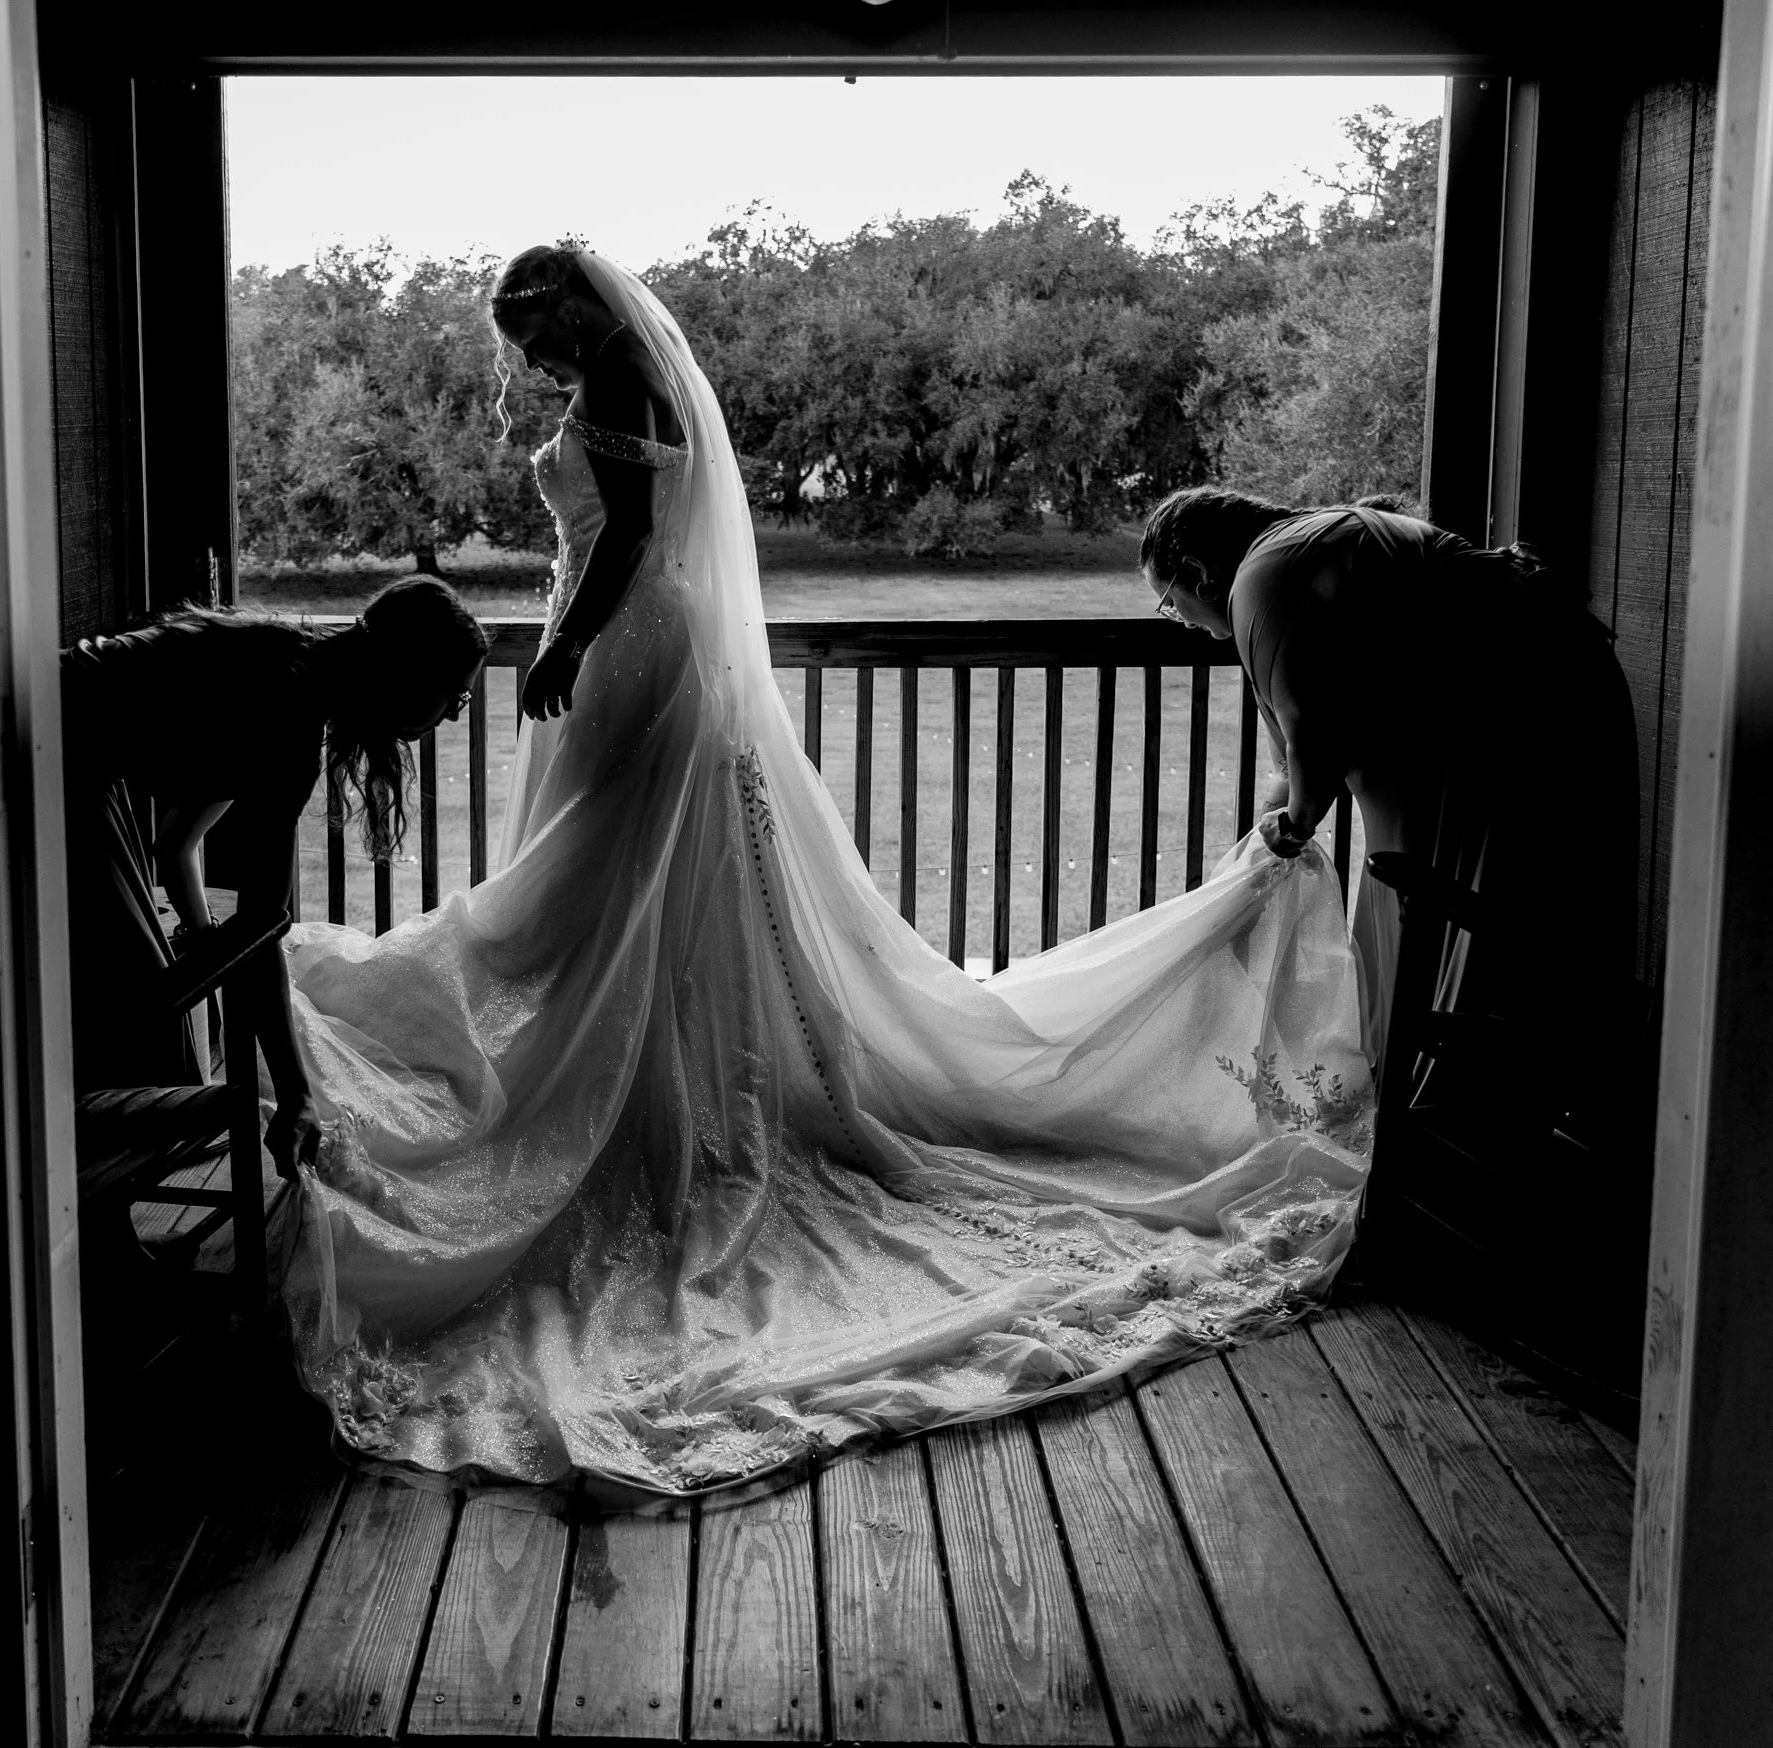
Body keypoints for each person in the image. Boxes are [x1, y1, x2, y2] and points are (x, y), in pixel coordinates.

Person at [276, 246, 1373, 1500]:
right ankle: (626, 1088)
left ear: (573, 308)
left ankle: (629, 1111)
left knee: (607, 899)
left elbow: (629, 532)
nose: (533, 365)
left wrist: (565, 641)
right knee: (591, 899)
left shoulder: (627, 372)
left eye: (535, 338)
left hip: (631, 645)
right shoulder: (620, 375)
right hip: (617, 648)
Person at [1138, 486, 1637, 1077]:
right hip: (1527, 713)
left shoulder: (1266, 576)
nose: (1181, 622)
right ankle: (1446, 1095)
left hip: (1516, 725)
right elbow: (1289, 761)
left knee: (1472, 916)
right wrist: (1259, 850)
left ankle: (1455, 1103)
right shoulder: (1297, 555)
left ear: (1197, 572)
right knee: (1443, 912)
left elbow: (1311, 745)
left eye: (1169, 603)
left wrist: (1294, 827)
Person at [61, 580, 490, 1201]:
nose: (453, 714)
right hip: (41, 763)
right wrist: (296, 1096)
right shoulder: (286, 714)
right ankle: (85, 1225)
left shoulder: (285, 661)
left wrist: (204, 942)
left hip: (62, 752)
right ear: (406, 673)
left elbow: (178, 844)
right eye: (454, 695)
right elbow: (263, 928)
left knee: (165, 1029)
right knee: (149, 1036)